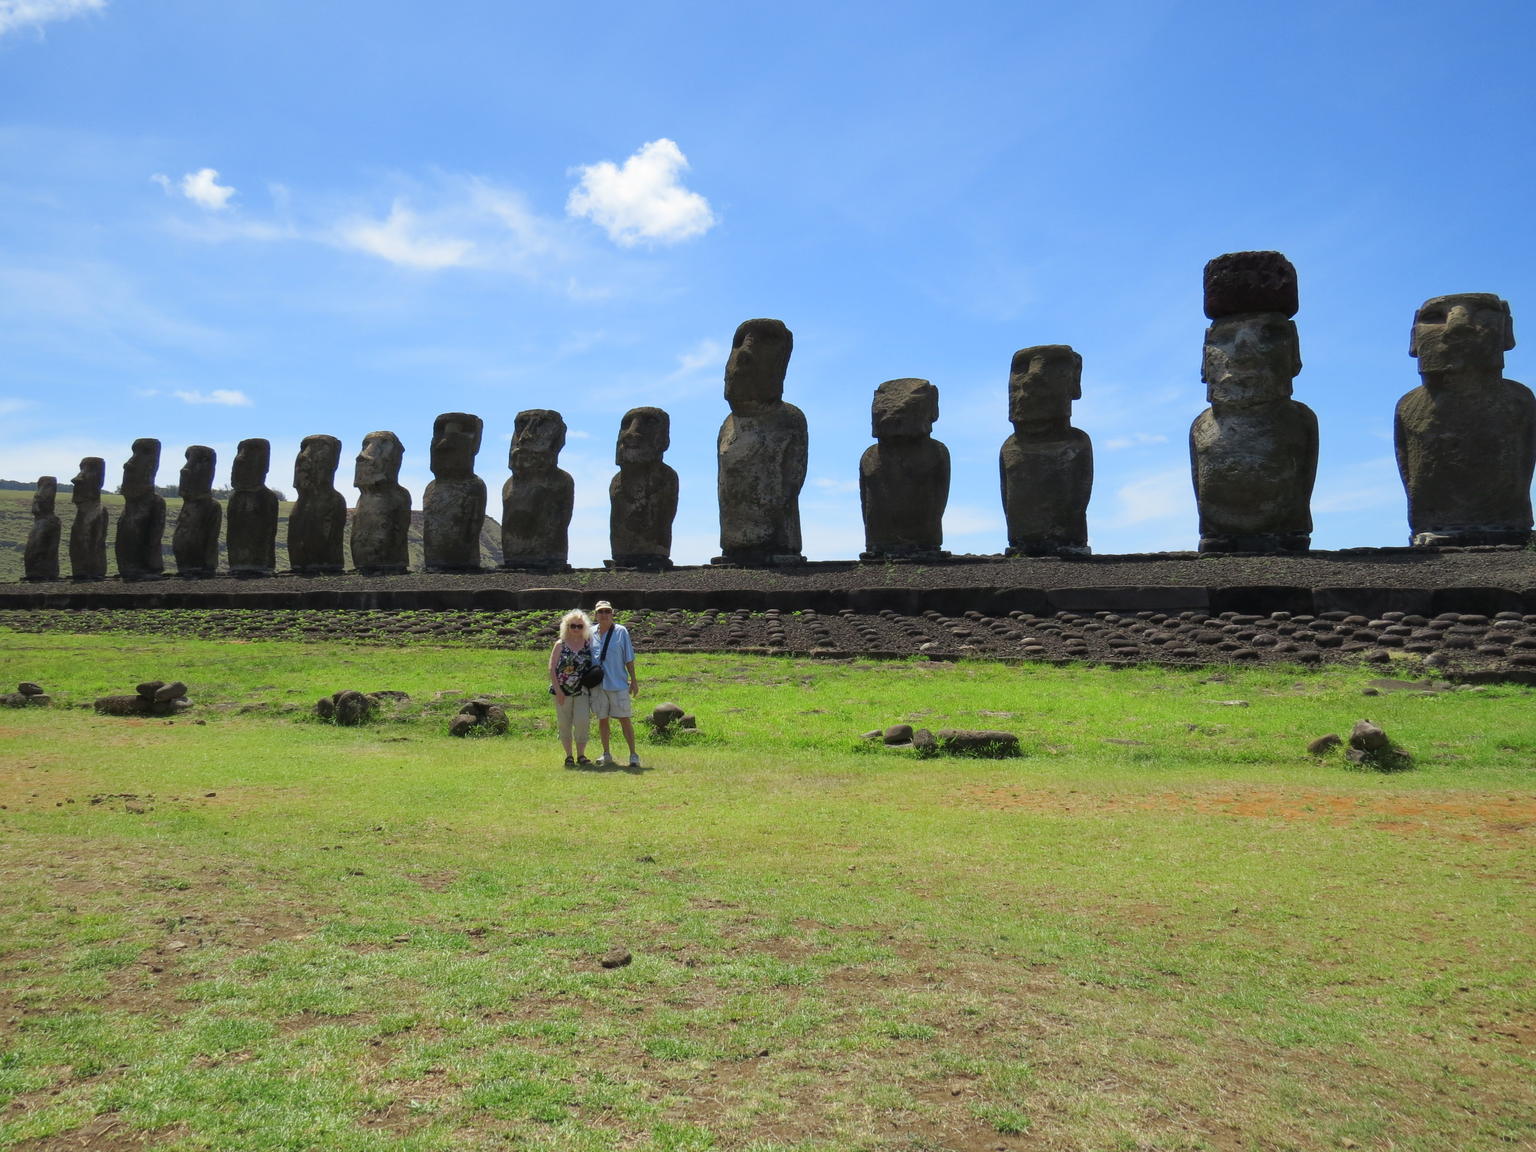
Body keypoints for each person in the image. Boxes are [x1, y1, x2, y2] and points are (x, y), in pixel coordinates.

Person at [589, 600, 640, 768]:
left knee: (624, 719)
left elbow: (629, 658)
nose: (604, 615)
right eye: (600, 612)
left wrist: (633, 680)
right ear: (595, 615)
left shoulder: (621, 631)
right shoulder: (590, 633)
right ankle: (606, 753)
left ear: (612, 613)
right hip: (598, 685)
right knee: (602, 719)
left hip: (618, 683)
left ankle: (633, 754)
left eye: (607, 611)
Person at [548, 609, 596, 767]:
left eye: (579, 626)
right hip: (562, 691)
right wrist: (559, 691)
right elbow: (552, 668)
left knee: (582, 722)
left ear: (585, 628)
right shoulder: (560, 644)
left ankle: (581, 755)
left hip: (582, 690)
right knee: (564, 723)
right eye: (572, 626)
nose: (576, 629)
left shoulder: (588, 644)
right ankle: (569, 756)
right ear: (566, 626)